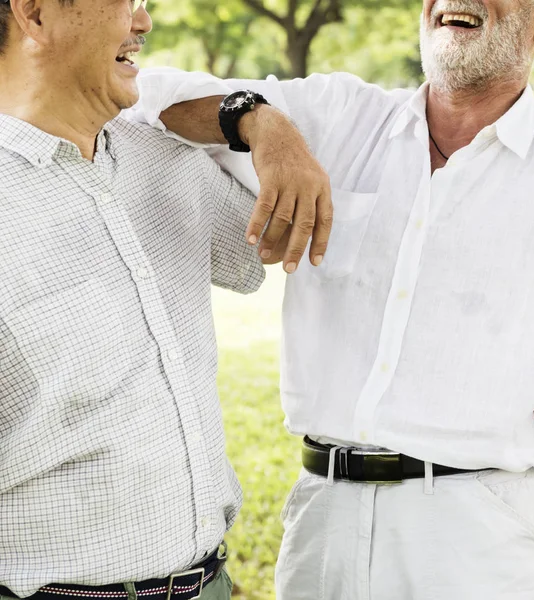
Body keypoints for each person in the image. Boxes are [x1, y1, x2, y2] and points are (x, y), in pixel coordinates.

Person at [127, 0, 534, 597]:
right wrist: (261, 122)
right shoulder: (339, 115)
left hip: (483, 531)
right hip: (322, 522)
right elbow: (142, 96)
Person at [0, 1, 331, 600]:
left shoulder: (163, 159)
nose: (144, 22)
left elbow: (289, 239)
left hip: (208, 583)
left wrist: (259, 119)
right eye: (123, 2)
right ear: (35, 14)